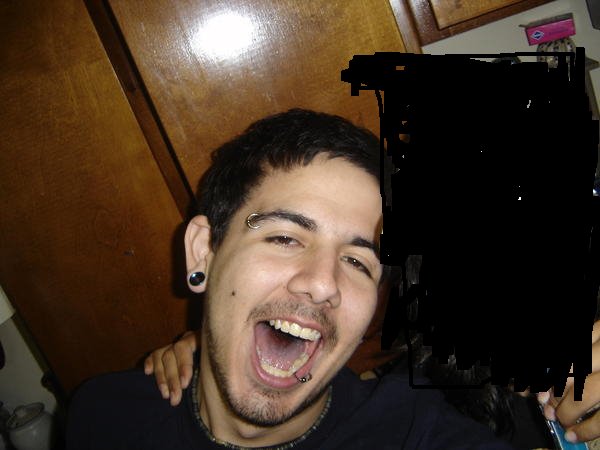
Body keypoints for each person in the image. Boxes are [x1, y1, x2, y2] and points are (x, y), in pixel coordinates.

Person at [67, 109, 573, 449]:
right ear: (204, 252)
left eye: (357, 262)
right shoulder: (103, 416)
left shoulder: (416, 429)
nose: (322, 283)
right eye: (284, 237)